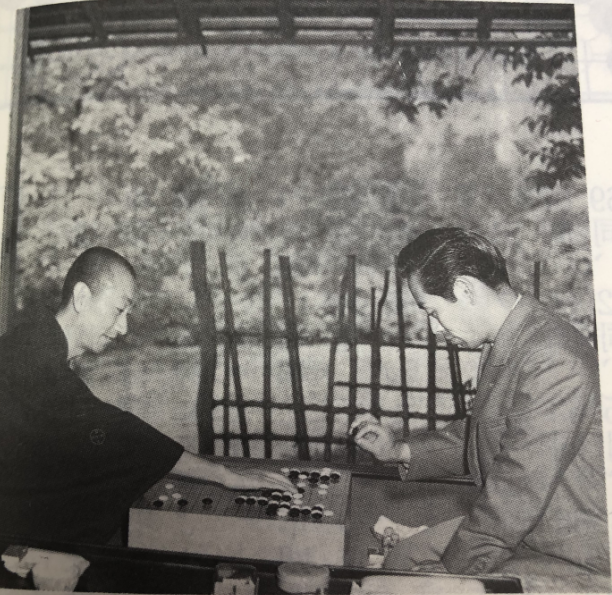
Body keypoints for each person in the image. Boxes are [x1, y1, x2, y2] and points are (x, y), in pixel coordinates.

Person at [351, 228, 609, 578]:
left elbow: (518, 486)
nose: (435, 328)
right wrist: (398, 450)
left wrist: (453, 573)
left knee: (412, 581)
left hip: (570, 546)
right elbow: (487, 435)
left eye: (433, 311)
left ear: (465, 289)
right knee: (406, 556)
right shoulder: (511, 339)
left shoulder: (552, 357)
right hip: (530, 523)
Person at [0, 247, 295, 545]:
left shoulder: (34, 341)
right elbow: (113, 430)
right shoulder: (32, 357)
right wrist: (223, 474)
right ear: (82, 297)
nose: (123, 328)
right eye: (119, 310)